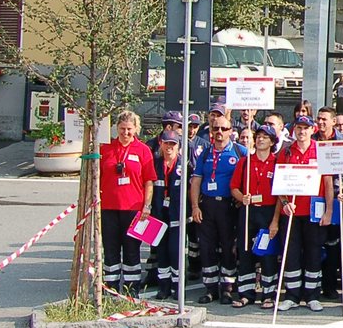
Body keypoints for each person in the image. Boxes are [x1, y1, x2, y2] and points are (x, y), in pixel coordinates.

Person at [271, 116, 330, 312]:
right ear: (294, 129)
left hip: (314, 211)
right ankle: (292, 295)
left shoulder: (320, 150)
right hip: (293, 212)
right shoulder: (286, 151)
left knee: (314, 253)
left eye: (306, 128)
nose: (302, 131)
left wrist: (329, 210)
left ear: (313, 129)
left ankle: (312, 295)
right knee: (292, 254)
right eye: (299, 127)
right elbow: (278, 184)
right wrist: (285, 203)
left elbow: (328, 183)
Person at [190, 110, 246, 304]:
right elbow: (196, 181)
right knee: (207, 247)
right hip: (207, 205)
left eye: (224, 128)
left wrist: (242, 197)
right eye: (216, 128)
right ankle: (210, 288)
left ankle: (227, 288)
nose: (219, 132)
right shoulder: (205, 152)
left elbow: (249, 177)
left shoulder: (240, 152)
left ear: (231, 131)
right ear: (211, 131)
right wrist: (195, 206)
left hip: (229, 206)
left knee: (229, 246)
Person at [99, 111, 157, 297]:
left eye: (129, 129)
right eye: (122, 129)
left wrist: (147, 205)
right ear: (116, 128)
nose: (125, 133)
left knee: (132, 250)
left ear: (136, 129)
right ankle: (111, 289)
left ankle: (132, 291)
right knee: (110, 250)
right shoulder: (105, 148)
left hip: (133, 209)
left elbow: (149, 181)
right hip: (108, 208)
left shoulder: (143, 150)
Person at [230, 126, 279, 308]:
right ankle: (246, 293)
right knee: (245, 252)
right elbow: (234, 187)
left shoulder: (276, 163)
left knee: (267, 253)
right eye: (258, 137)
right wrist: (242, 197)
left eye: (265, 137)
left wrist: (275, 220)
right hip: (248, 210)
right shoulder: (245, 162)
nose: (260, 140)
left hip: (267, 211)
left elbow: (281, 194)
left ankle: (268, 294)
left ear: (272, 142)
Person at [149, 127, 186, 300]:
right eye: (166, 143)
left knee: (176, 252)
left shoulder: (185, 166)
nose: (169, 147)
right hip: (158, 216)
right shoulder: (154, 164)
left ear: (178, 146)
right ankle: (163, 286)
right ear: (161, 144)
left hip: (177, 216)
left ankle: (178, 287)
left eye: (173, 144)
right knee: (161, 252)